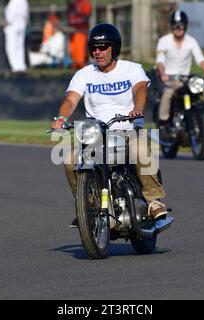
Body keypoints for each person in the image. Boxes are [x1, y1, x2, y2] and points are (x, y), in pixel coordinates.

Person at [51, 23, 168, 227]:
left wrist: (137, 109)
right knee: (69, 158)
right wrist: (60, 119)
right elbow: (71, 100)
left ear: (114, 48)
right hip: (96, 133)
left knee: (140, 147)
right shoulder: (84, 74)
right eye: (94, 48)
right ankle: (86, 206)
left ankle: (153, 200)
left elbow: (141, 89)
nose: (98, 52)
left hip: (127, 129)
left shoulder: (132, 69)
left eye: (103, 47)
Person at [156, 9, 204, 127]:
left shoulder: (191, 41)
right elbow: (160, 61)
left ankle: (201, 117)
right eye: (175, 26)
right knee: (168, 94)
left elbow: (200, 60)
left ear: (185, 26)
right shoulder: (164, 41)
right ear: (171, 26)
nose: (178, 29)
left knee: (203, 91)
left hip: (185, 79)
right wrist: (163, 74)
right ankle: (163, 122)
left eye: (181, 26)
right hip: (169, 79)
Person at [4, 0, 29, 72]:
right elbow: (26, 15)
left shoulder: (14, 2)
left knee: (11, 47)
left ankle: (16, 67)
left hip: (13, 25)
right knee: (20, 47)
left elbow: (10, 14)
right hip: (21, 24)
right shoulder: (24, 1)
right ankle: (21, 66)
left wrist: (7, 21)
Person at [67, 0, 91, 69]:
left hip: (81, 30)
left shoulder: (84, 2)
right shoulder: (73, 4)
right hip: (72, 31)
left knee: (80, 49)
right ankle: (75, 65)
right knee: (73, 49)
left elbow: (87, 14)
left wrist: (77, 12)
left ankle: (81, 66)